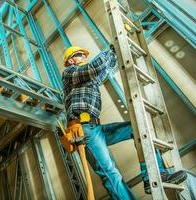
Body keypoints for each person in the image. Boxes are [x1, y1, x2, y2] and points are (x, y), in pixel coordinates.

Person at [61, 46, 187, 199]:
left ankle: (154, 175)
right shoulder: (69, 73)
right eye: (81, 55)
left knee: (137, 128)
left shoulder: (87, 79)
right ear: (71, 60)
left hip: (95, 127)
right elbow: (93, 68)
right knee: (110, 173)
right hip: (84, 129)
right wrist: (111, 49)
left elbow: (104, 70)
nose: (84, 57)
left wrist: (115, 55)